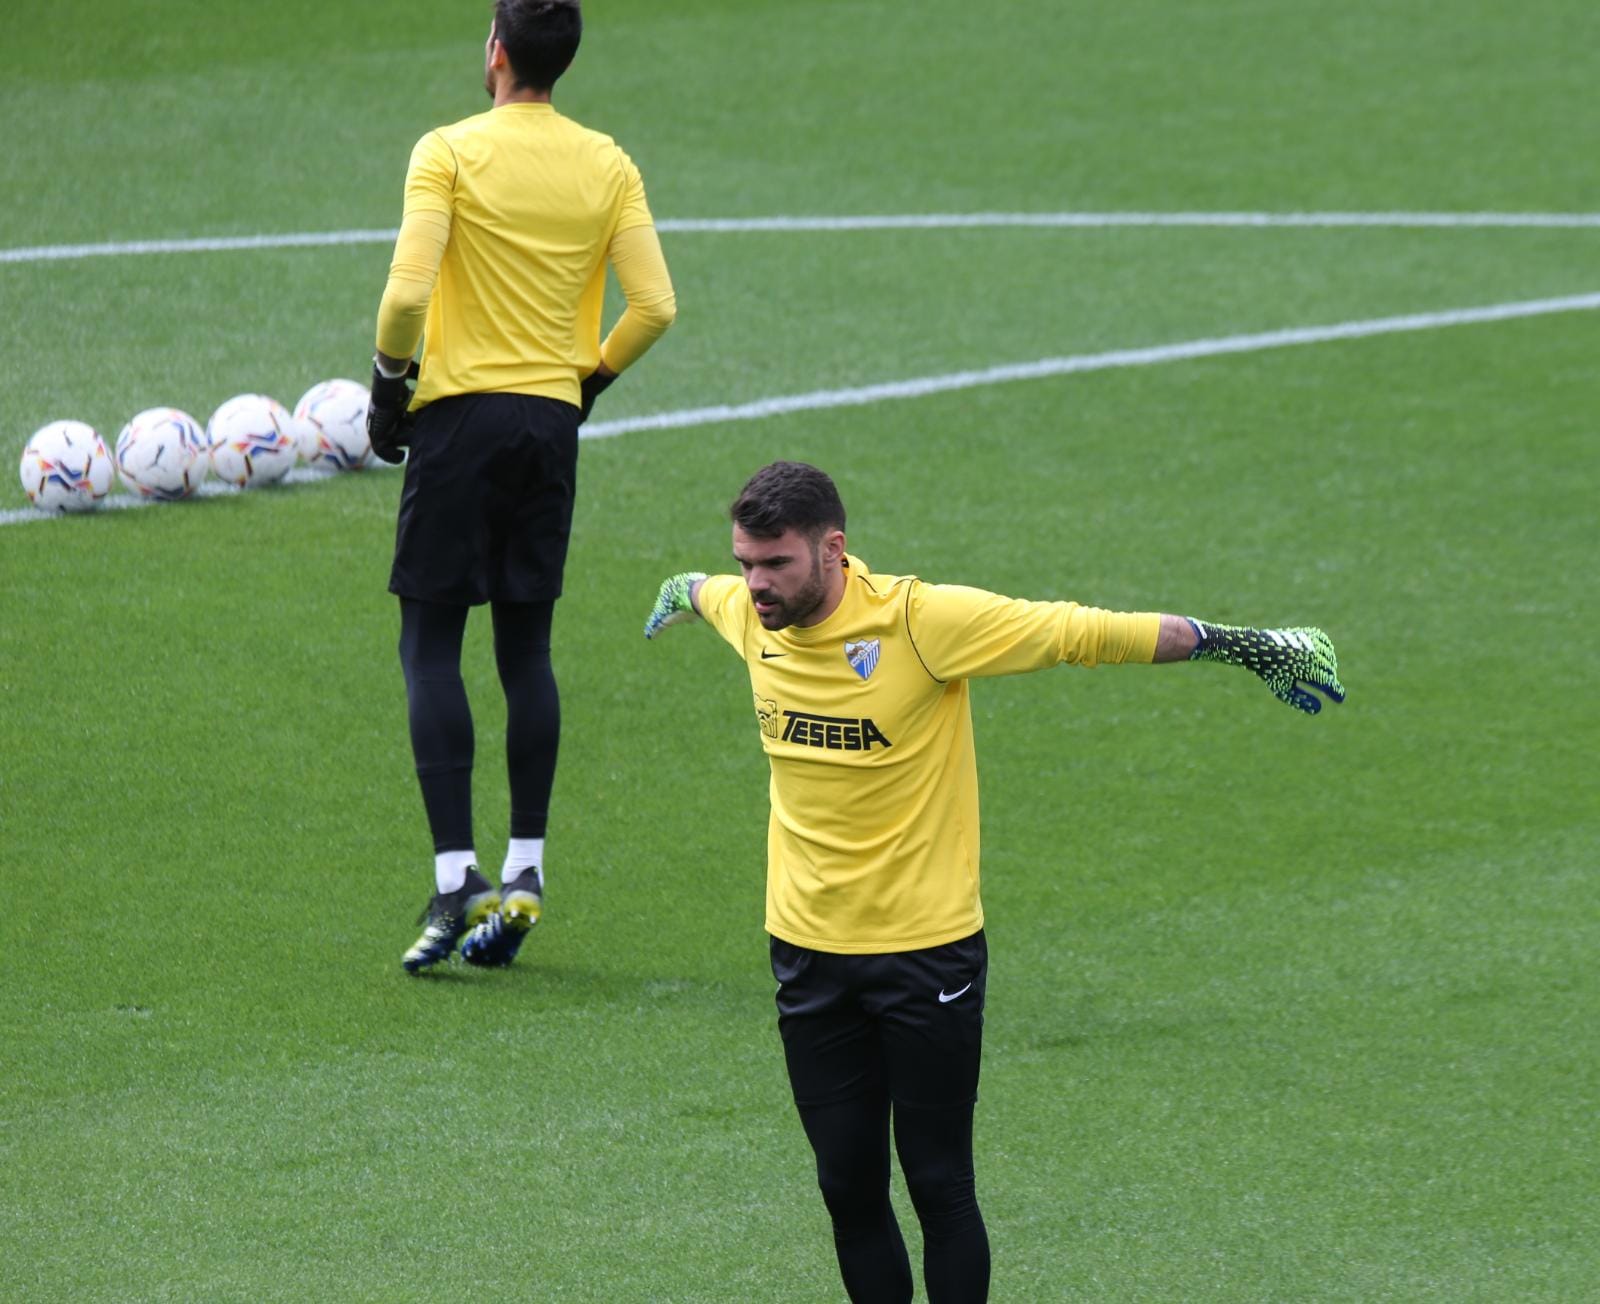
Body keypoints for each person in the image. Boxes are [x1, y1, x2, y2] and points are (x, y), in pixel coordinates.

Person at [642, 461, 1345, 1303]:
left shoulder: (920, 621)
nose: (756, 584)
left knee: (940, 1186)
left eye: (777, 564)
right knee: (848, 1191)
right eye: (746, 563)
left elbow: (1082, 633)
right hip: (807, 955)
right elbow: (698, 587)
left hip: (926, 957)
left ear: (833, 549)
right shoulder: (748, 611)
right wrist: (679, 591)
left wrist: (1244, 645)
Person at [366, 0, 676, 974]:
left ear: (495, 52)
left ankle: (455, 873)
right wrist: (581, 386)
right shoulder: (608, 162)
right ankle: (525, 870)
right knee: (525, 647)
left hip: (458, 420)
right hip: (549, 424)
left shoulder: (448, 151)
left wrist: (386, 392)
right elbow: (655, 307)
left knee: (428, 643)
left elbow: (410, 293)